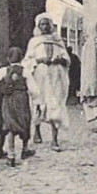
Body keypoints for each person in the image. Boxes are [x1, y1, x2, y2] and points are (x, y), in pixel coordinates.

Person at [23, 13, 70, 151]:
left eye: (47, 24)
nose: (44, 27)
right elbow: (27, 61)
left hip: (56, 76)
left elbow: (67, 59)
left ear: (51, 26)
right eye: (42, 24)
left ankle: (55, 139)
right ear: (38, 26)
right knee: (39, 103)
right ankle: (37, 130)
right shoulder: (34, 42)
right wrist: (39, 60)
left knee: (55, 104)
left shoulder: (58, 41)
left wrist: (59, 60)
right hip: (40, 77)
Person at [0, 48, 35, 167]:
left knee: (11, 126)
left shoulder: (4, 70)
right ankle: (25, 149)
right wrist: (37, 98)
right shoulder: (25, 71)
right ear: (21, 58)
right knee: (24, 123)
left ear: (8, 59)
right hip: (21, 99)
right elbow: (33, 87)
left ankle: (11, 155)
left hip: (8, 100)